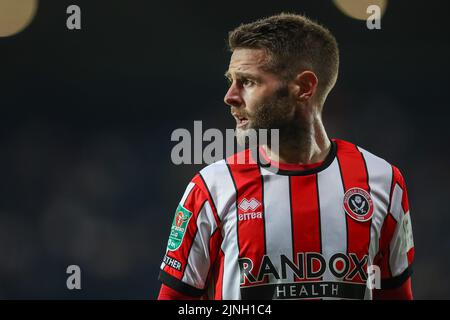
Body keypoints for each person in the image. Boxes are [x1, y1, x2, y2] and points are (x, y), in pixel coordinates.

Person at [157, 13, 414, 300]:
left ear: (304, 87)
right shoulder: (211, 188)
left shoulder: (384, 181)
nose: (230, 96)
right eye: (232, 80)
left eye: (248, 82)